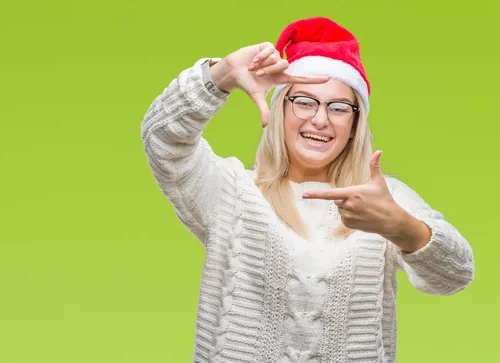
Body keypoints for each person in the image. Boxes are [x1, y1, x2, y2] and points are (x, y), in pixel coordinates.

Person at [141, 17, 474, 363]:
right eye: (304, 101)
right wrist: (221, 75)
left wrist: (401, 227)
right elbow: (161, 137)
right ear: (281, 108)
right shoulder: (230, 192)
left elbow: (456, 275)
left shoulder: (381, 200)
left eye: (339, 107)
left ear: (354, 124)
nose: (319, 119)